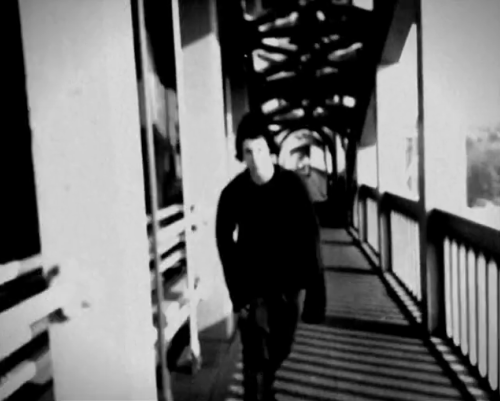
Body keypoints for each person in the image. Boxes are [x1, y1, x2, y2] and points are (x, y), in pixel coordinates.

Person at [215, 112, 325, 401]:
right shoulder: (233, 193)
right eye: (248, 152)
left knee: (281, 348)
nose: (255, 159)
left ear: (271, 150)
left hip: (288, 286)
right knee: (254, 357)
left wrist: (316, 290)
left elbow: (310, 235)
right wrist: (237, 292)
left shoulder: (293, 186)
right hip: (252, 288)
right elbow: (223, 239)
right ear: (241, 154)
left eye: (260, 150)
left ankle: (268, 383)